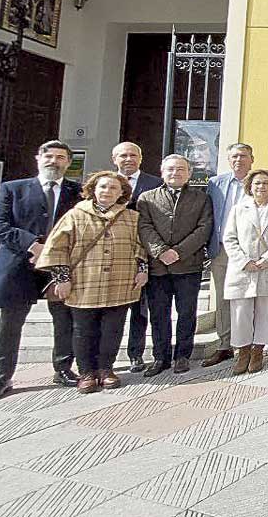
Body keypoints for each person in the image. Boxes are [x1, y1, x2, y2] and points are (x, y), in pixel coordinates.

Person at [0, 140, 81, 403]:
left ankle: (63, 368)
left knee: (64, 319)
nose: (53, 162)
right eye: (49, 156)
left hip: (59, 267)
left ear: (68, 162)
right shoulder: (12, 189)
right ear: (38, 159)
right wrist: (32, 245)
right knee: (10, 325)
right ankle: (2, 377)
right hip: (18, 265)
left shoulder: (77, 192)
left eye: (60, 157)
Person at [37, 171, 148, 393]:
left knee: (113, 329)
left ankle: (106, 369)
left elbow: (140, 247)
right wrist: (62, 278)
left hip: (121, 281)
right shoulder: (75, 215)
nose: (107, 192)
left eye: (114, 188)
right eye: (103, 187)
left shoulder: (131, 217)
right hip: (84, 282)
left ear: (122, 193)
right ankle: (86, 372)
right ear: (93, 190)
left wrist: (142, 269)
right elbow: (57, 248)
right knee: (83, 330)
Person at [137, 155, 214, 377]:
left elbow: (204, 228)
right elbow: (144, 226)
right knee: (159, 313)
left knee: (186, 312)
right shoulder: (147, 198)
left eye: (181, 169)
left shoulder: (201, 198)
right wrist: (161, 251)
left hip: (188, 265)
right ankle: (160, 357)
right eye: (170, 169)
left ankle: (182, 355)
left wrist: (178, 252)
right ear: (162, 172)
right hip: (158, 267)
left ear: (189, 173)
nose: (175, 173)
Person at [221, 169, 268, 374]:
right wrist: (244, 261)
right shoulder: (239, 208)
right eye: (257, 183)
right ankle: (243, 352)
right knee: (241, 312)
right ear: (250, 186)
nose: (261, 187)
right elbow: (229, 238)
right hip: (243, 269)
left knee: (266, 311)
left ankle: (258, 351)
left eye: (265, 183)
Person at [202, 142, 254, 368]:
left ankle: (248, 345)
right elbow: (208, 215)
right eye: (234, 156)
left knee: (251, 297)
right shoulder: (215, 183)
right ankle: (225, 345)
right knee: (224, 297)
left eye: (243, 156)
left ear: (252, 159)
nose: (238, 160)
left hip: (251, 252)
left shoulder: (259, 182)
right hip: (222, 249)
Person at [112, 141, 162, 373]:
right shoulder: (105, 183)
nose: (128, 159)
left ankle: (136, 354)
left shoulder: (154, 183)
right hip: (112, 256)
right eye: (123, 155)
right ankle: (105, 357)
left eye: (133, 155)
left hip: (145, 254)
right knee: (110, 309)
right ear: (115, 159)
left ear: (140, 159)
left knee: (140, 310)